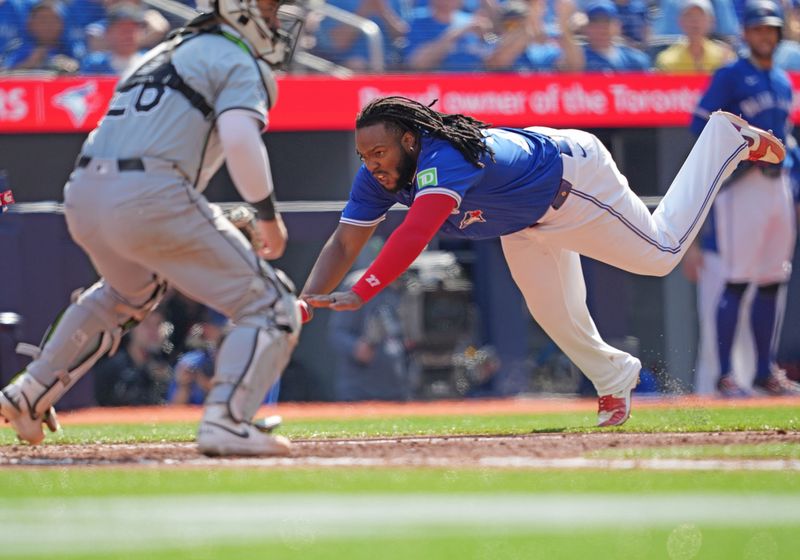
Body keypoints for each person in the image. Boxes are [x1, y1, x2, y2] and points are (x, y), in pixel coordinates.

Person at [301, 95, 785, 427]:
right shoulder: (379, 176)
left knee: (661, 254)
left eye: (379, 152)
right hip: (519, 220)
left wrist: (363, 290)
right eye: (364, 156)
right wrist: (303, 301)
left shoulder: (441, 154)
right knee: (553, 310)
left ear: (409, 141)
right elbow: (344, 243)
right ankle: (613, 375)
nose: (371, 165)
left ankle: (724, 139)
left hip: (571, 184)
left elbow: (414, 232)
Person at [0, 0, 306, 456]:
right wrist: (266, 214)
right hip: (151, 189)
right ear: (237, 9)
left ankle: (27, 393)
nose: (274, 18)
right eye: (267, 6)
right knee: (274, 305)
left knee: (127, 295)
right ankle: (228, 419)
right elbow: (241, 139)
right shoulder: (235, 57)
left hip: (84, 188)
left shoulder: (162, 51)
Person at [689, 0, 800, 397]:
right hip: (744, 187)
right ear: (746, 34)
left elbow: (785, 136)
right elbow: (700, 123)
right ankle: (725, 375)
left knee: (773, 279)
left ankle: (763, 372)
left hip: (778, 185)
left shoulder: (783, 80)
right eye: (757, 29)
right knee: (737, 281)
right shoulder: (731, 75)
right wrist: (740, 156)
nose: (764, 35)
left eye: (770, 29)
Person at [328, 267, 415, 401]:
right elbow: (338, 333)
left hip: (398, 387)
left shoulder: (409, 285)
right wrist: (356, 348)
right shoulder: (358, 284)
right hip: (360, 389)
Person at [93, 309, 172, 406]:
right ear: (131, 329)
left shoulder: (166, 368)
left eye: (158, 324)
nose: (153, 331)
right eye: (147, 324)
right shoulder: (112, 367)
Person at [484, 0, 584, 72]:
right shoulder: (493, 43)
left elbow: (574, 67)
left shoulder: (543, 49)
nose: (515, 27)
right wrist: (531, 19)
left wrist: (564, 27)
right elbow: (498, 62)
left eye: (520, 21)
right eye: (510, 24)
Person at [655, 0, 735, 73]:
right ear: (680, 21)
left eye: (700, 15)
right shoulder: (667, 59)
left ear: (711, 21)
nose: (695, 21)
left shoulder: (724, 57)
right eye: (689, 15)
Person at [3, 0, 81, 73]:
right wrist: (30, 62)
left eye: (53, 21)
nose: (48, 26)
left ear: (63, 24)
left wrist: (71, 67)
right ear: (30, 24)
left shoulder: (72, 49)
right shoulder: (17, 48)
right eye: (42, 21)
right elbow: (5, 74)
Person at [573, 0, 651, 72]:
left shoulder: (634, 59)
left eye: (607, 21)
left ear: (617, 26)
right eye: (595, 22)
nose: (601, 27)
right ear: (585, 27)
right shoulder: (578, 59)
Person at [79, 2, 147, 75]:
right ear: (108, 33)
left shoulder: (149, 62)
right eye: (123, 30)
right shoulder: (94, 65)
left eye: (132, 30)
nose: (128, 36)